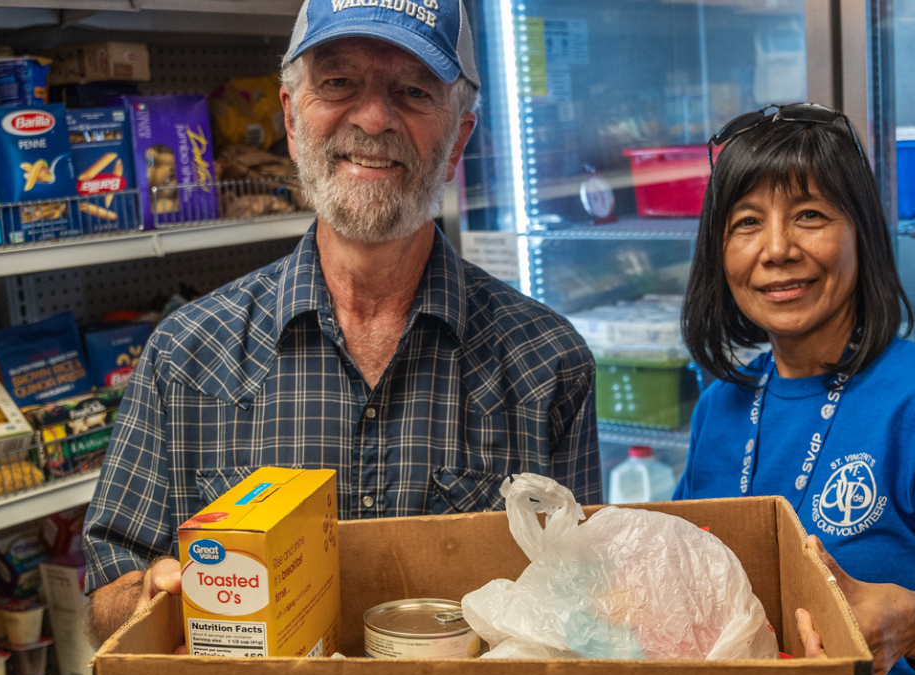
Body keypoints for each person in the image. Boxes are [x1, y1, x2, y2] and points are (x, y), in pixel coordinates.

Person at [82, 0, 601, 642]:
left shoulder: (548, 363)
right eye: (338, 83)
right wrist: (154, 596)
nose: (375, 118)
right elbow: (104, 607)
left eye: (413, 91)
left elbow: (587, 617)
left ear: (458, 138)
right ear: (292, 120)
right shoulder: (186, 356)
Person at [672, 104, 915, 675]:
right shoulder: (720, 407)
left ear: (861, 233)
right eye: (747, 222)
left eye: (809, 215)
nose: (776, 249)